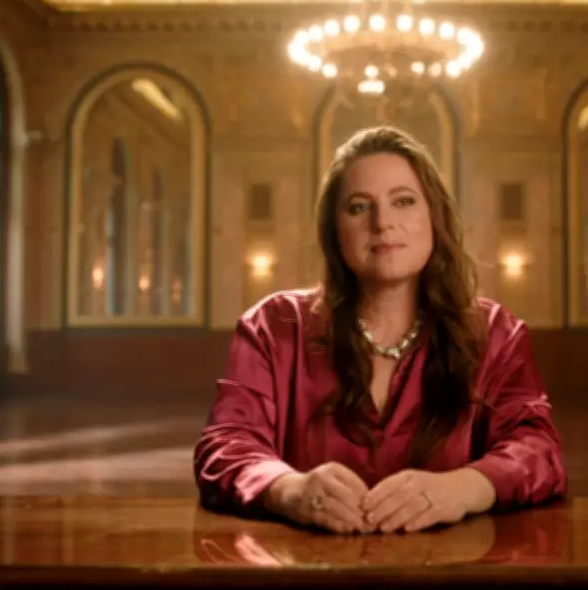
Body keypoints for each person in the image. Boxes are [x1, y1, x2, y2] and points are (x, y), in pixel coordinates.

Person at [193, 125, 566, 534]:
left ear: (434, 217)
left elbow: (538, 449)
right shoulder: (273, 326)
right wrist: (289, 489)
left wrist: (464, 488)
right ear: (334, 230)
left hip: (457, 565)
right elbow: (226, 444)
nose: (382, 222)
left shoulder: (496, 333)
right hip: (306, 565)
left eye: (403, 201)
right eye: (358, 207)